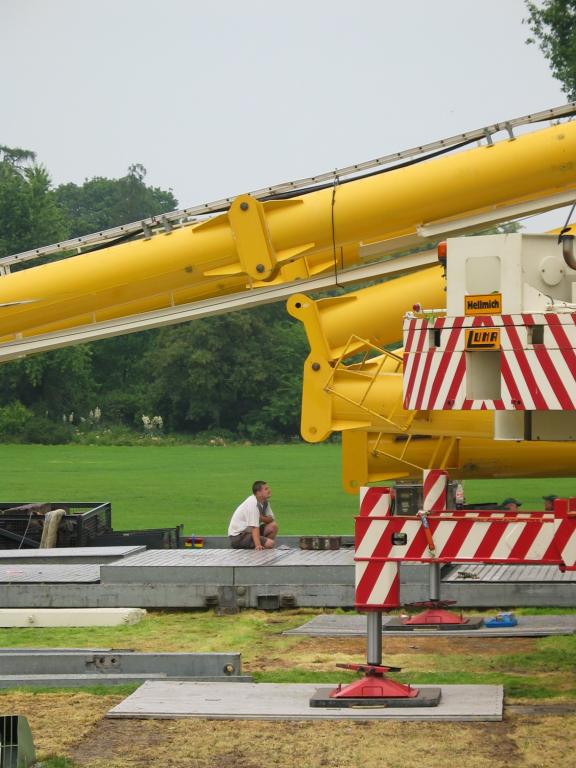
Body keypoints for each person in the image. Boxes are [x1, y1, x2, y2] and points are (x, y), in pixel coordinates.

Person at [228, 480, 278, 550]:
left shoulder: (264, 502)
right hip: (239, 537)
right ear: (258, 493)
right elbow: (254, 527)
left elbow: (271, 519)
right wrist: (258, 545)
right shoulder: (253, 503)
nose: (269, 490)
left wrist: (261, 518)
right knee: (270, 544)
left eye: (268, 488)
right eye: (266, 489)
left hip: (249, 533)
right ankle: (260, 547)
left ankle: (262, 546)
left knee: (273, 526)